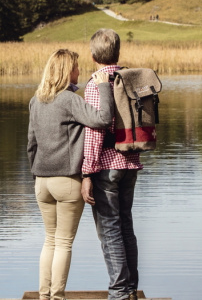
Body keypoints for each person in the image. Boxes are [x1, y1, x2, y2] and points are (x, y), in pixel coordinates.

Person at [28, 49, 117, 300]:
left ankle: (44, 295)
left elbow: (30, 145)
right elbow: (103, 119)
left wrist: (37, 174)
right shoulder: (69, 100)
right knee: (64, 243)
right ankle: (57, 296)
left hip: (41, 182)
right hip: (67, 181)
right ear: (68, 72)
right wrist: (103, 88)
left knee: (50, 241)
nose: (79, 72)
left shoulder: (36, 100)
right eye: (76, 68)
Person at [80, 28, 143, 300]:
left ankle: (118, 292)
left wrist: (86, 172)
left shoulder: (96, 84)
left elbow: (94, 132)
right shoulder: (129, 78)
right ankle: (129, 289)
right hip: (131, 161)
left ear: (93, 55)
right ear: (118, 52)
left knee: (110, 230)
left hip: (106, 166)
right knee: (125, 225)